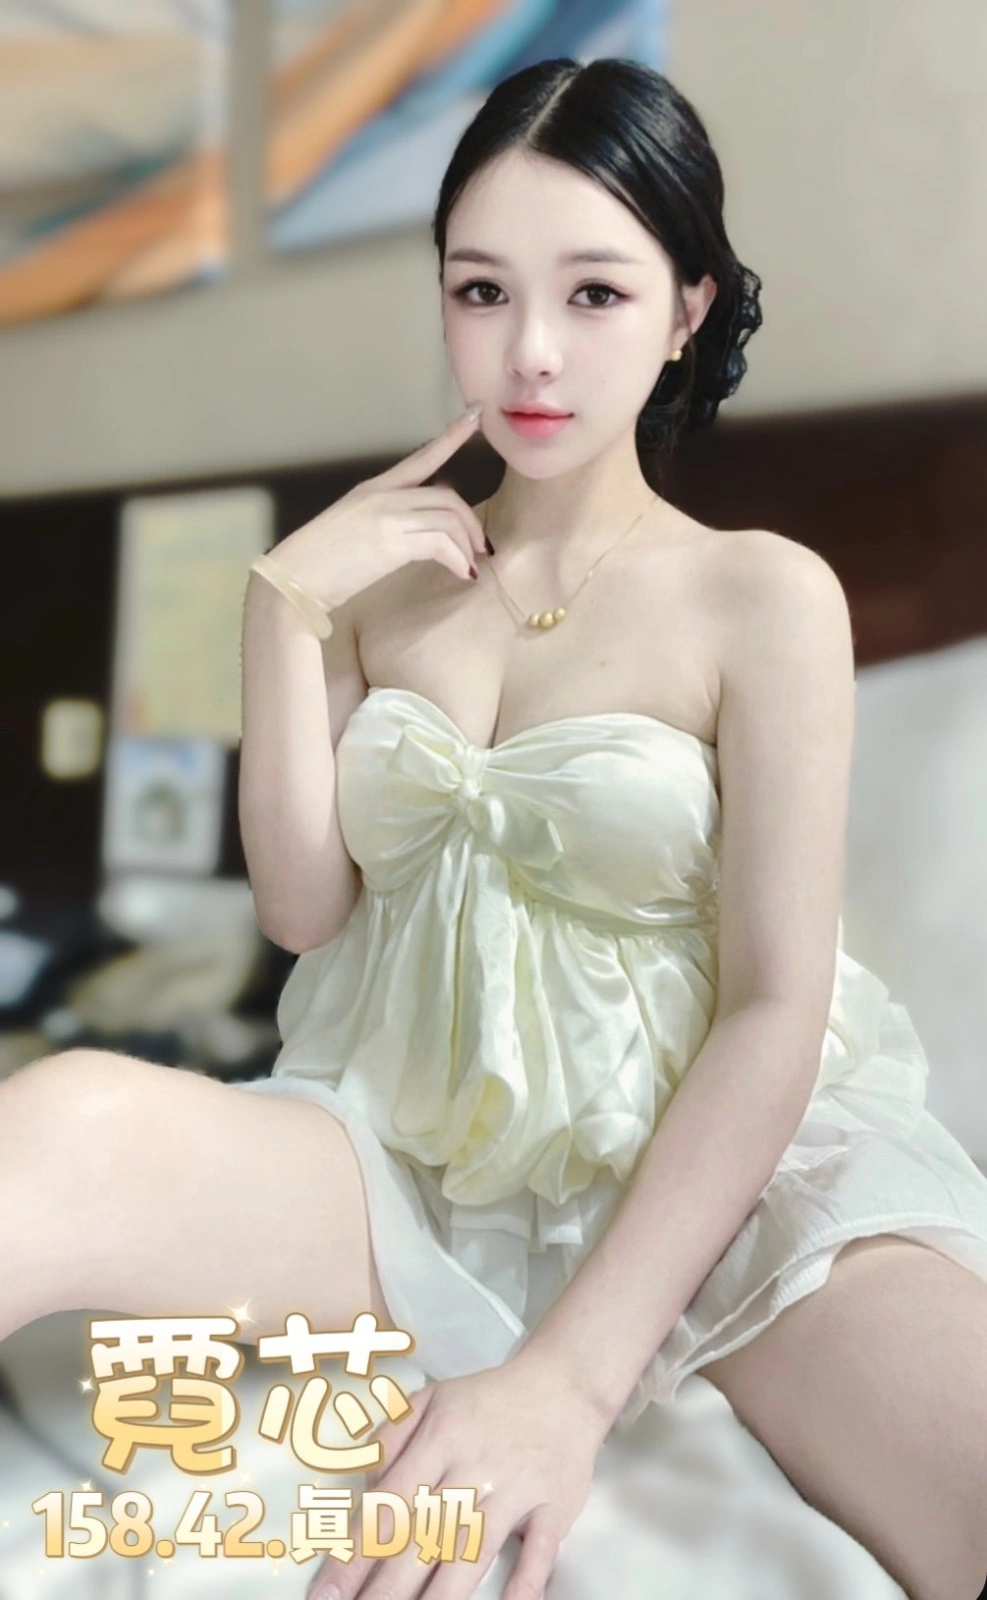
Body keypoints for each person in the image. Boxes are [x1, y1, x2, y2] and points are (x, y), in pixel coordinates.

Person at [3, 57, 987, 1600]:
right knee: (60, 1118)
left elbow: (773, 1007)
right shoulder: (376, 586)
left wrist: (566, 1385)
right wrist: (279, 610)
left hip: (711, 1176)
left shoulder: (760, 594)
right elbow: (303, 914)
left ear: (685, 308)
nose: (529, 350)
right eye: (481, 290)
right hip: (400, 1153)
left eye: (593, 293)